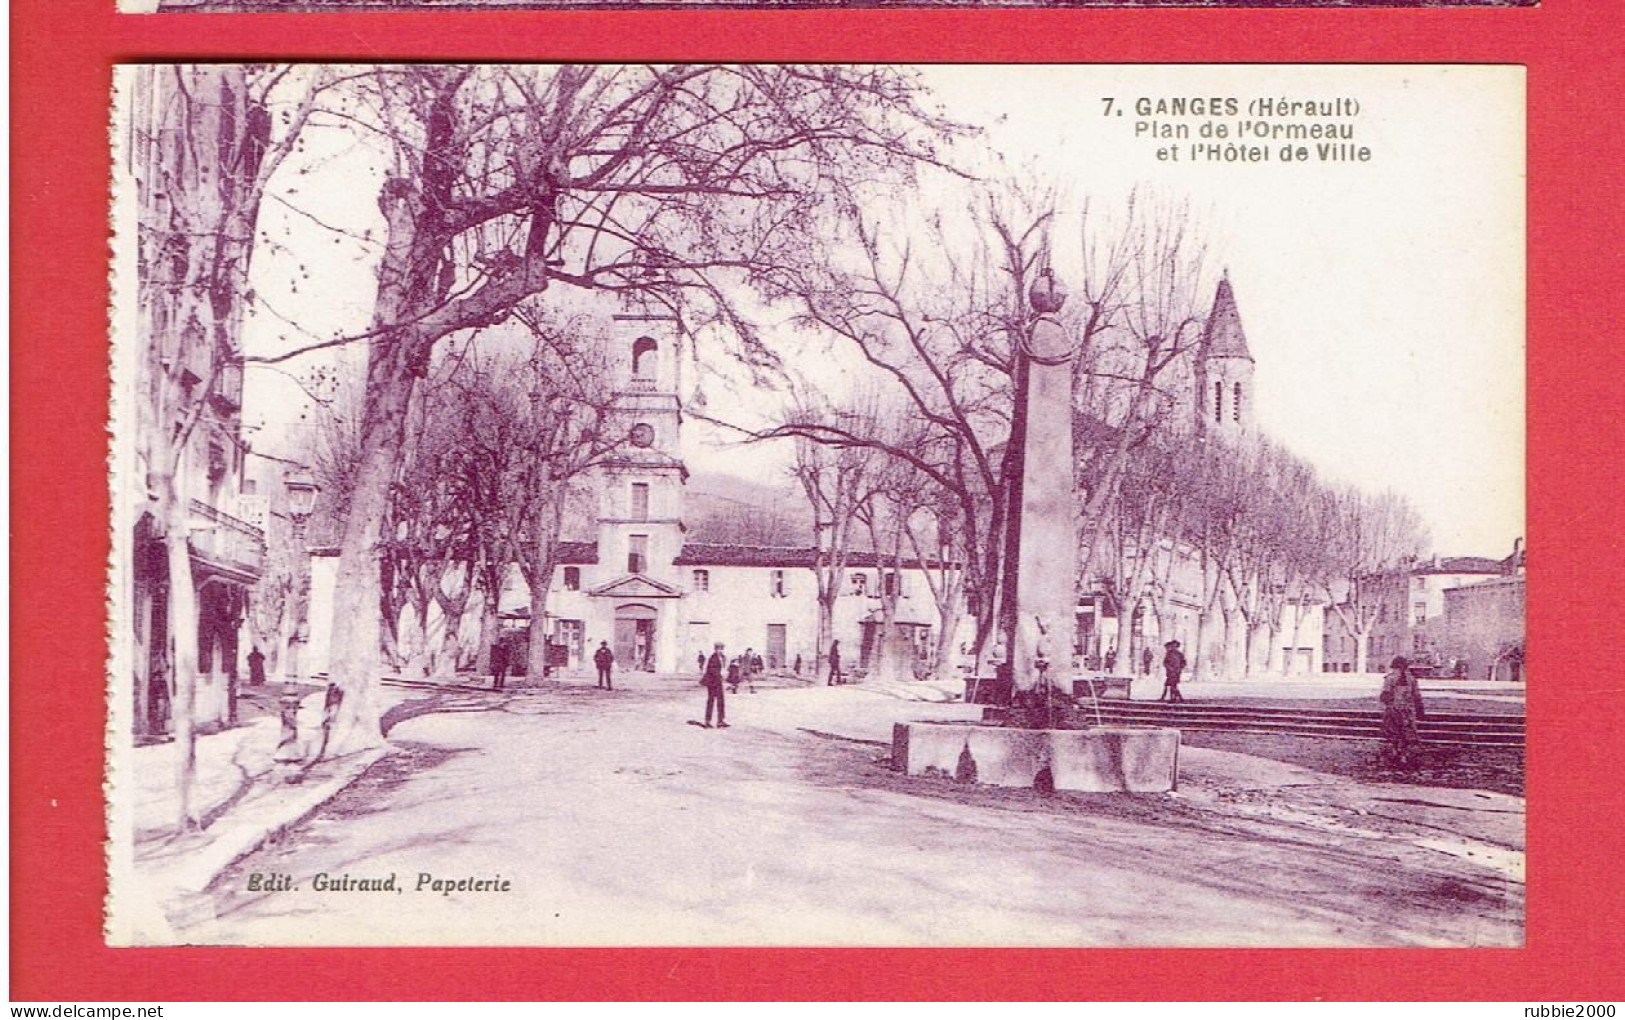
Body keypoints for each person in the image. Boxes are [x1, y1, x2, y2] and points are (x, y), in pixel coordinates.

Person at [1380, 655, 1424, 767]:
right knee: (1407, 733)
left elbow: (1385, 695)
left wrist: (1388, 705)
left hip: (1393, 709)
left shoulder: (1389, 678)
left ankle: (1395, 752)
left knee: (1393, 732)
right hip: (1407, 710)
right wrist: (1420, 710)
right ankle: (1403, 755)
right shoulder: (1412, 679)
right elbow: (1417, 696)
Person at [701, 643, 729, 728]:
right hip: (712, 682)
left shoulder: (722, 657)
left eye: (721, 649)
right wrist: (721, 676)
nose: (720, 650)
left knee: (721, 701)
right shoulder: (713, 658)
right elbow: (712, 670)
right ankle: (707, 721)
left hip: (718, 682)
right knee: (711, 701)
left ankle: (720, 721)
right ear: (715, 649)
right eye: (719, 649)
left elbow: (723, 668)